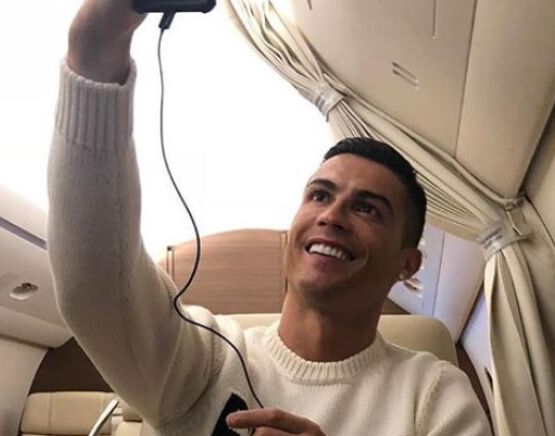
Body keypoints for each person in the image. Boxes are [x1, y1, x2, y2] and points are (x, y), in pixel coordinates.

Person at [48, 1, 493, 434]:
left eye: (367, 208)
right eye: (320, 195)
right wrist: (94, 45)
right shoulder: (205, 361)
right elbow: (94, 283)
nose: (332, 215)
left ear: (407, 264)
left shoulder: (434, 394)